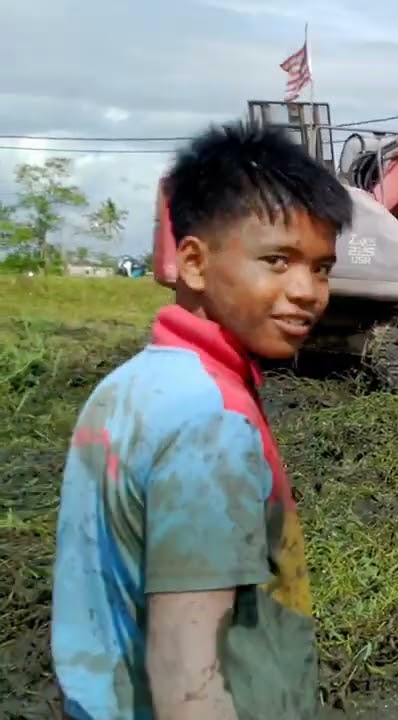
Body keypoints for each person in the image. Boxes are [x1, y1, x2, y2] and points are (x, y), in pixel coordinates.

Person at [50, 120, 353, 719]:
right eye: (277, 259)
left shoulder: (132, 383)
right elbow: (187, 676)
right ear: (193, 263)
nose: (308, 291)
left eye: (321, 267)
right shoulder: (212, 426)